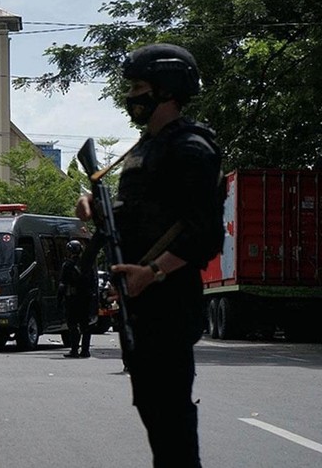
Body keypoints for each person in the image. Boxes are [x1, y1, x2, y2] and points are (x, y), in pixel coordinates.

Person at [75, 43, 223, 468]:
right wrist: (98, 211)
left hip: (169, 299)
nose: (132, 96)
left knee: (171, 417)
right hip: (140, 300)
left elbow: (205, 233)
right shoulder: (146, 148)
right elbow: (138, 218)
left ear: (166, 90)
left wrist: (154, 271)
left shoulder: (191, 148)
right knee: (153, 411)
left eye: (140, 87)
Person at [58, 239, 97, 358]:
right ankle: (85, 350)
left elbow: (62, 284)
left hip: (72, 299)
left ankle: (74, 350)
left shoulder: (67, 265)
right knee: (85, 325)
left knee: (73, 324)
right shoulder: (87, 265)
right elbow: (93, 282)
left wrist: (59, 299)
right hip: (86, 298)